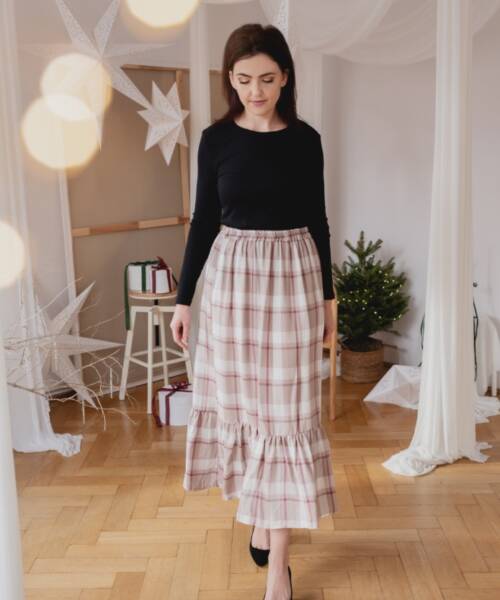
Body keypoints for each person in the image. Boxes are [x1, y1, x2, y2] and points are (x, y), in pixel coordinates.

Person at [170, 23, 337, 600]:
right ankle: (263, 514)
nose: (255, 91)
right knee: (246, 410)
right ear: (231, 80)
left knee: (286, 416)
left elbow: (318, 221)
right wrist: (184, 299)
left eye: (266, 79)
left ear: (285, 77)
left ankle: (277, 567)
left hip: (294, 280)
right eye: (243, 80)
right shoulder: (216, 140)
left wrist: (329, 300)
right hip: (234, 285)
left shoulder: (306, 140)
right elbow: (203, 222)